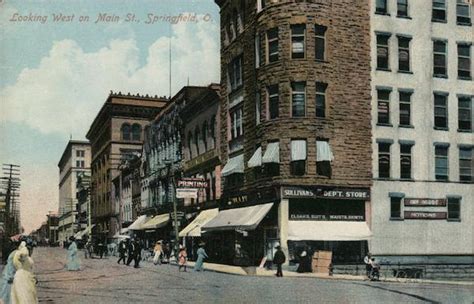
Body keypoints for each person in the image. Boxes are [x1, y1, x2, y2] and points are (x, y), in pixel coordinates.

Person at [0, 240, 20, 304]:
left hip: (7, 274)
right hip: (10, 275)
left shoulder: (12, 254)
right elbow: (12, 267)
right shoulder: (15, 254)